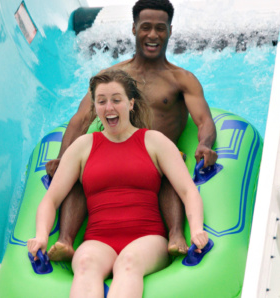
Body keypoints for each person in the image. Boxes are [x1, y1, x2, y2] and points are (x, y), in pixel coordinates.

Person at [45, 0, 217, 261]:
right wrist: (63, 155)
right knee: (79, 172)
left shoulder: (181, 79)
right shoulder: (113, 77)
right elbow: (81, 118)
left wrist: (205, 144)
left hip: (159, 159)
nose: (153, 35)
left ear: (170, 30)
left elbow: (204, 120)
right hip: (113, 154)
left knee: (173, 164)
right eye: (145, 27)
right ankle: (66, 240)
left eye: (160, 28)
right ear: (134, 28)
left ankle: (175, 233)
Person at [28, 70, 209, 297]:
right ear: (95, 108)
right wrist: (41, 236)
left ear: (131, 103)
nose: (109, 108)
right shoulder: (83, 147)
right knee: (84, 264)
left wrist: (196, 230)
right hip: (98, 241)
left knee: (129, 262)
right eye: (101, 102)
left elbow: (187, 191)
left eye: (116, 100)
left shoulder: (154, 141)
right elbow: (51, 200)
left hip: (147, 239)